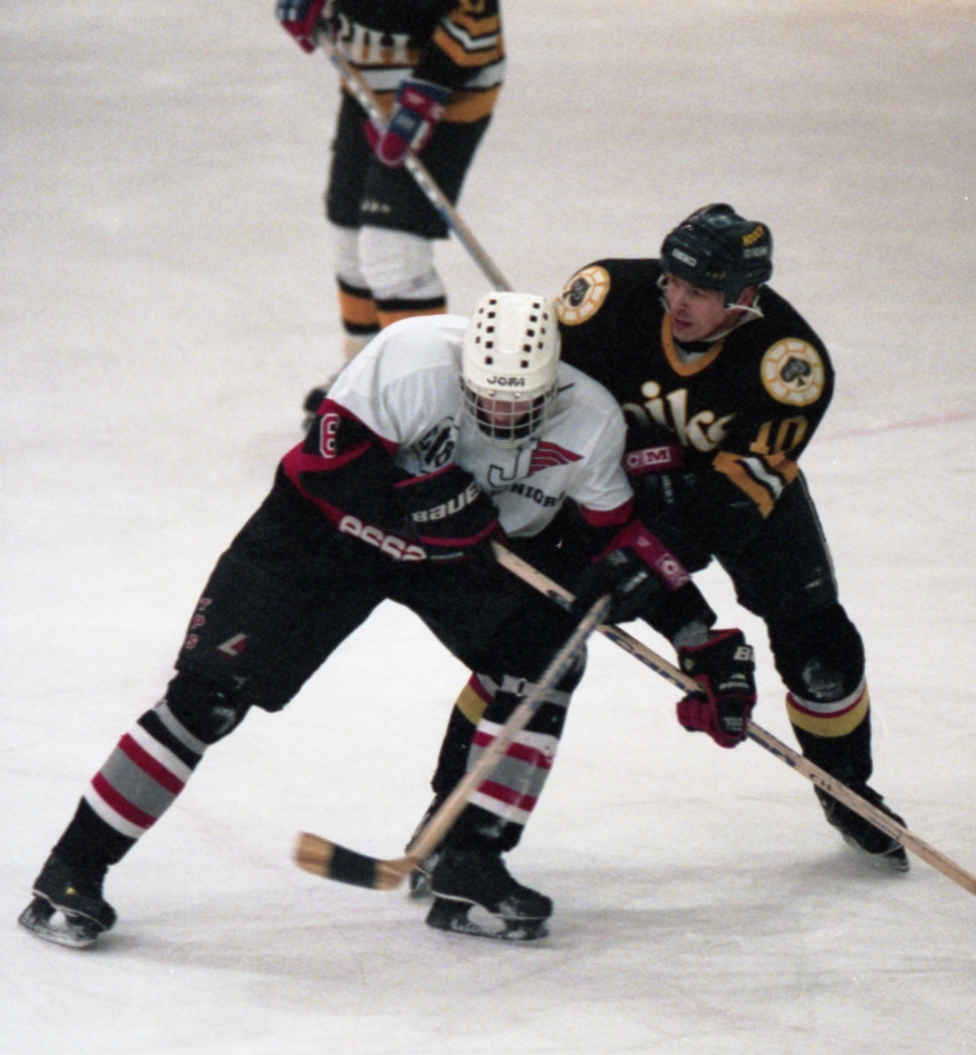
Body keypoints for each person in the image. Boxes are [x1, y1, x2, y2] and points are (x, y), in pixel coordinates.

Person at [19, 294, 756, 951]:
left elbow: (621, 547)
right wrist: (419, 500)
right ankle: (73, 869)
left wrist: (698, 636)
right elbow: (324, 466)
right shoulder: (409, 359)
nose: (503, 418)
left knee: (548, 653)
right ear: (465, 368)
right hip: (326, 535)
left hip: (457, 560)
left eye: (522, 404)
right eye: (487, 399)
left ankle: (468, 861)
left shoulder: (590, 420)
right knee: (208, 698)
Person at [547, 202, 908, 867]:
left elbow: (734, 502)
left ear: (744, 296)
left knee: (820, 650)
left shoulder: (788, 364)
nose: (677, 302)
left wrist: (653, 558)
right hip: (608, 484)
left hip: (723, 495)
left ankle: (845, 786)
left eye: (701, 292)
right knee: (528, 632)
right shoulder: (604, 299)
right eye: (673, 282)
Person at [275, 0, 505, 410]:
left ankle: (423, 401)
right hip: (368, 85)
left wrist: (425, 96)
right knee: (349, 239)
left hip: (450, 89)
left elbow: (476, 19)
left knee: (392, 252)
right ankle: (361, 385)